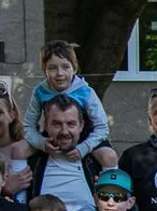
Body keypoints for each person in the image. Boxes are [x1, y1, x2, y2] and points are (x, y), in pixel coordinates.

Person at [24, 40, 116, 169]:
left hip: (85, 136)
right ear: (44, 70)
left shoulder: (86, 92)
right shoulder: (40, 92)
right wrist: (41, 143)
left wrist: (85, 147)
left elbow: (102, 126)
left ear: (74, 68)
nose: (59, 73)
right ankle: (21, 188)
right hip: (52, 136)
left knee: (109, 156)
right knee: (18, 149)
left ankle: (110, 188)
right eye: (52, 68)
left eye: (65, 67)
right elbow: (28, 126)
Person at [25, 97, 104, 211]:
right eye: (56, 124)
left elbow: (117, 206)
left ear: (81, 125)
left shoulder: (95, 162)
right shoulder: (32, 162)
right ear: (46, 125)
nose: (64, 131)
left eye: (71, 124)